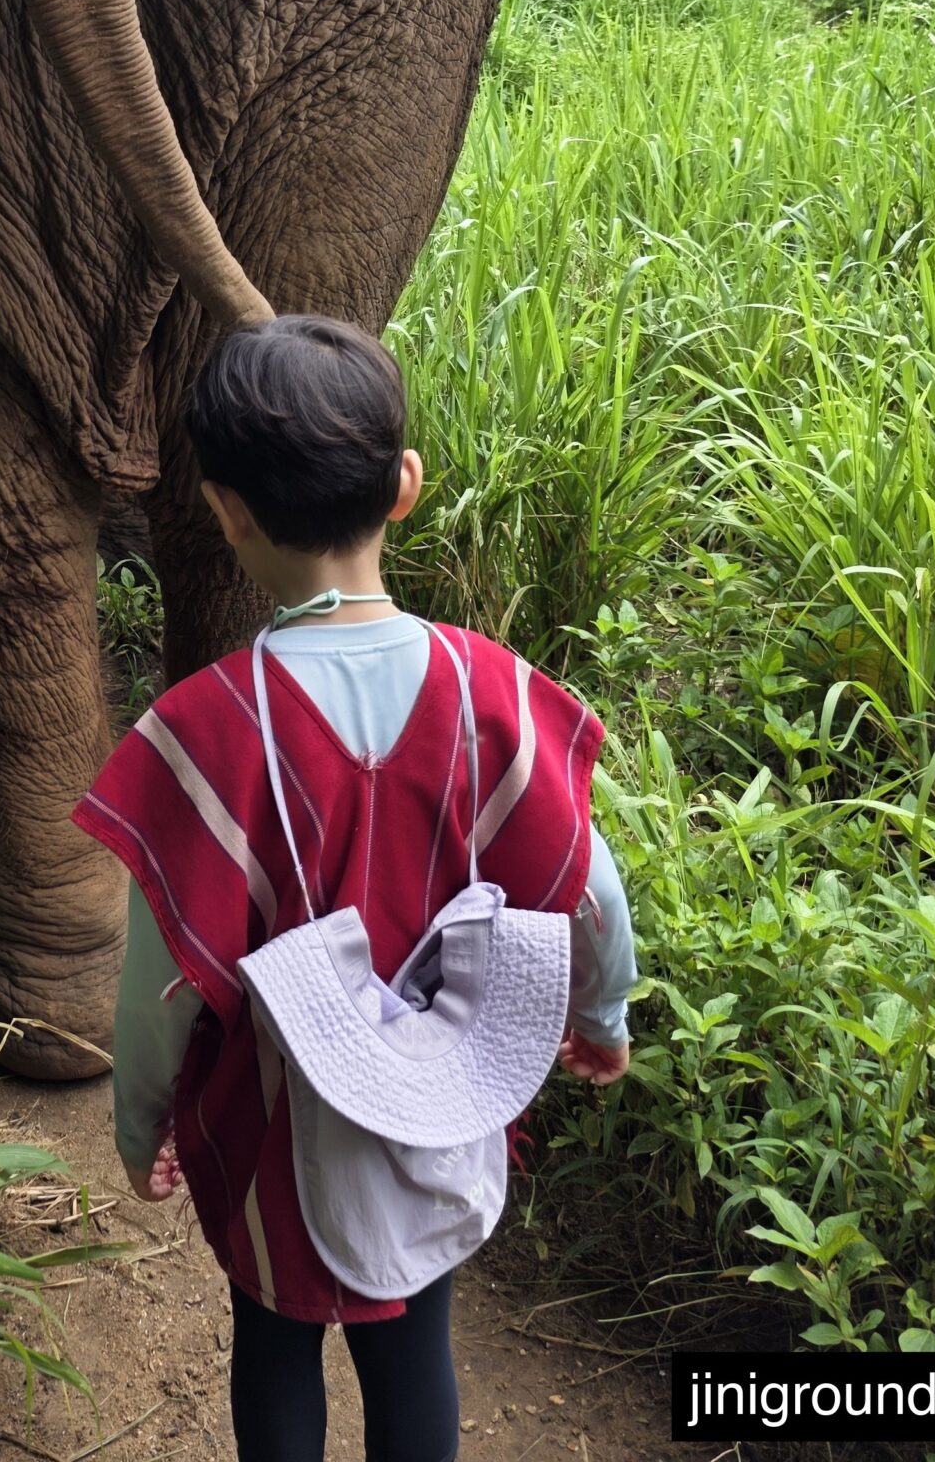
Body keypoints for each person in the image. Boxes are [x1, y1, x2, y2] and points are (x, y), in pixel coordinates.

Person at [74, 315, 636, 1462]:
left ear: (226, 512)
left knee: (273, 1344)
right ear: (407, 485)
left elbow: (159, 985)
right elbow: (591, 890)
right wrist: (601, 1016)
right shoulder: (494, 695)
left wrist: (145, 1121)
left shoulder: (206, 730)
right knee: (415, 1338)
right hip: (441, 1101)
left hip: (268, 1126)